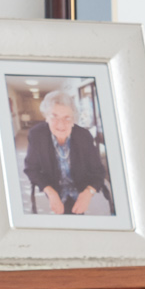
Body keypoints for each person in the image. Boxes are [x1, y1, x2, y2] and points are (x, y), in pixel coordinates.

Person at [23, 87, 110, 216]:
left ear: (74, 119)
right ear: (46, 117)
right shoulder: (36, 135)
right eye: (54, 117)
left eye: (67, 118)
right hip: (53, 184)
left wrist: (88, 193)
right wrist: (50, 192)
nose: (61, 124)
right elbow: (31, 169)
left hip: (80, 186)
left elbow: (99, 172)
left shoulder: (84, 136)